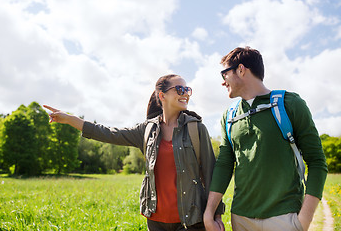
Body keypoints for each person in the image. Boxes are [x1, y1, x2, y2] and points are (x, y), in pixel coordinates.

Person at [44, 74, 224, 231]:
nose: (185, 93)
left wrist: (215, 217)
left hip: (190, 220)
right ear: (162, 96)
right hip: (155, 220)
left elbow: (210, 174)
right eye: (179, 88)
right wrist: (71, 120)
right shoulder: (147, 130)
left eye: (187, 89)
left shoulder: (196, 129)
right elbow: (108, 133)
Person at [203, 47, 328, 231]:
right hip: (240, 218)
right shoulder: (228, 116)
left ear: (241, 69)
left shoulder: (290, 104)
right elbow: (224, 164)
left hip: (284, 218)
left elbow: (317, 162)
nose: (223, 82)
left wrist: (304, 220)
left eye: (224, 74)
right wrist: (209, 212)